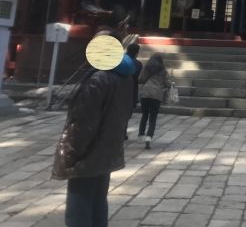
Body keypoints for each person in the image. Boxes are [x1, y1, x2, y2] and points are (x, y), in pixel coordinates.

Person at [52, 34, 136, 227]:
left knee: (79, 205)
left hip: (87, 153)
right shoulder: (125, 78)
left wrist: (72, 154)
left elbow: (82, 122)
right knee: (98, 201)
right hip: (108, 148)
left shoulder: (97, 80)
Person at [138, 54, 171, 149]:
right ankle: (149, 137)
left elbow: (140, 79)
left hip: (145, 94)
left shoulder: (146, 68)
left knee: (144, 114)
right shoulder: (163, 71)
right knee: (153, 117)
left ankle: (141, 135)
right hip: (156, 95)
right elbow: (167, 84)